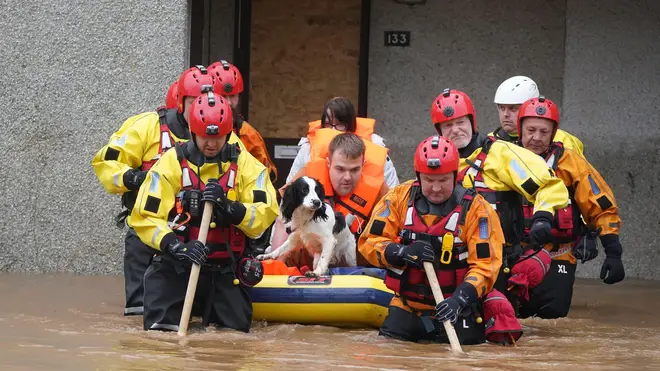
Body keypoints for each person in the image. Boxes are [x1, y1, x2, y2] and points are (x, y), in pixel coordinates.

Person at [128, 91, 279, 332]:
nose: (211, 144)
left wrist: (230, 208)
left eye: (218, 138)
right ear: (192, 132)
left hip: (225, 269)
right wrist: (175, 246)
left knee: (233, 341)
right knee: (160, 340)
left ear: (229, 134)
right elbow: (144, 217)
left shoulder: (247, 166)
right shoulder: (170, 163)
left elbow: (265, 212)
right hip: (176, 267)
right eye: (205, 137)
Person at [358, 136, 521, 345]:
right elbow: (369, 241)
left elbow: (486, 266)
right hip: (408, 307)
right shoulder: (399, 197)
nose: (436, 188)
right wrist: (401, 252)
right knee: (391, 354)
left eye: (443, 180)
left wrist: (458, 300)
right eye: (429, 180)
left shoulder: (478, 210)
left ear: (455, 175)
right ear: (418, 176)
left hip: (458, 309)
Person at [91, 65, 215, 316]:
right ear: (181, 101)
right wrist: (139, 178)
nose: (200, 107)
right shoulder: (146, 126)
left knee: (195, 314)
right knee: (140, 314)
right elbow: (106, 163)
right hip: (148, 228)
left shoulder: (220, 137)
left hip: (194, 234)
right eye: (194, 101)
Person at [430, 88, 571, 295]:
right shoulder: (432, 162)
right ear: (439, 130)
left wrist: (543, 216)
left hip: (496, 260)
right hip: (452, 260)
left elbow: (549, 185)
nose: (456, 130)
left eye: (461, 122)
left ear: (472, 122)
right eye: (448, 125)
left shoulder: (500, 154)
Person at [508, 96, 625, 319]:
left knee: (552, 316)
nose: (536, 138)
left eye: (544, 132)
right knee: (510, 317)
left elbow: (600, 205)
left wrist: (613, 252)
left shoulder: (571, 162)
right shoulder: (502, 158)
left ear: (553, 133)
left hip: (558, 255)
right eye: (531, 130)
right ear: (520, 128)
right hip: (512, 253)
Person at [273, 132, 390, 271]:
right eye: (340, 169)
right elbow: (282, 221)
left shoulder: (379, 192)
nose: (347, 177)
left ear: (363, 165)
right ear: (328, 163)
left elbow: (389, 235)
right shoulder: (305, 179)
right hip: (306, 266)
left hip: (356, 270)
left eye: (354, 170)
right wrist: (277, 269)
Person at [286, 97, 399, 188]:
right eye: (328, 125)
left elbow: (394, 196)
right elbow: (289, 192)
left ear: (351, 127)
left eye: (340, 125)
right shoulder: (307, 150)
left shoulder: (376, 152)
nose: (333, 131)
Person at [208, 60, 278, 181]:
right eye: (223, 96)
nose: (229, 103)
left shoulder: (247, 133)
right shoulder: (191, 129)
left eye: (233, 96)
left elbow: (265, 175)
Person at [491, 76, 584, 155]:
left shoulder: (562, 140)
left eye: (513, 108)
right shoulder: (489, 141)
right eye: (502, 108)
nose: (505, 114)